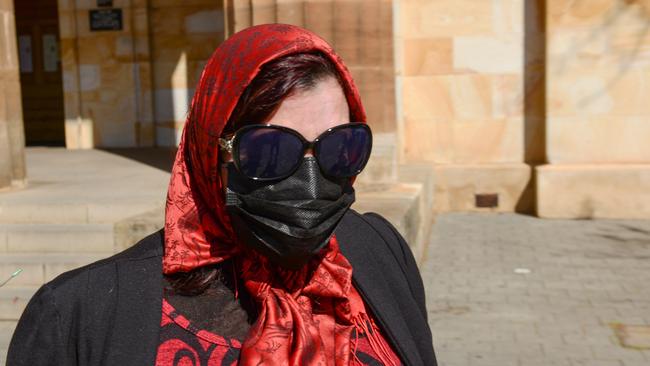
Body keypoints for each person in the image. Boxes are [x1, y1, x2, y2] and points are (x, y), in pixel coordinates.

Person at [7, 24, 436, 366]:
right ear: (212, 151)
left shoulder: (380, 252)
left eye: (341, 147)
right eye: (270, 150)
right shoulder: (80, 315)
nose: (310, 181)